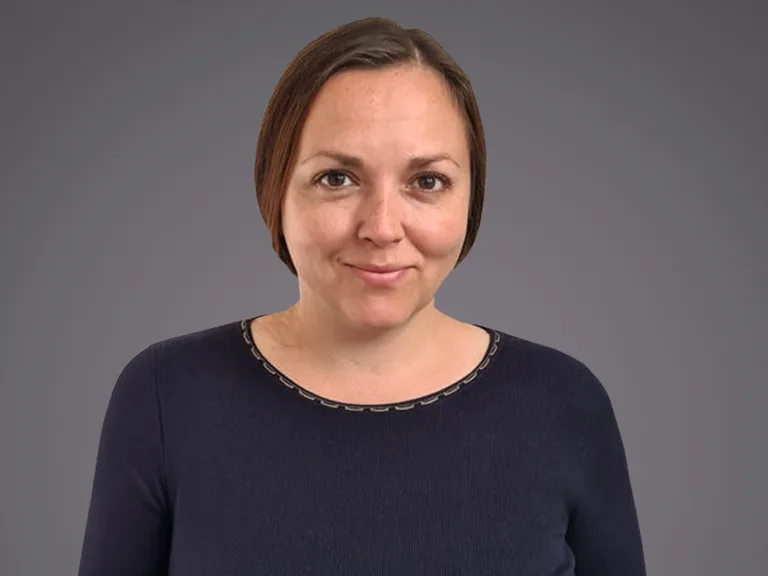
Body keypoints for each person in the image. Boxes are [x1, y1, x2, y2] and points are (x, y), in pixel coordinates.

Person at [78, 16, 646, 575]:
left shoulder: (564, 403)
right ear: (277, 190)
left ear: (470, 200)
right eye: (337, 178)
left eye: (426, 182)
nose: (381, 227)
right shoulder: (166, 395)